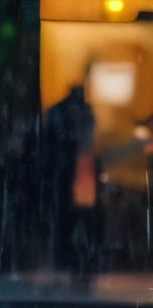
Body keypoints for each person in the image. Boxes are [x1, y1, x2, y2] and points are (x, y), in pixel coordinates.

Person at [43, 85, 100, 283]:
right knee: (70, 219)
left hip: (74, 170)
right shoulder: (73, 113)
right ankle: (72, 261)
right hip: (69, 171)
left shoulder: (73, 113)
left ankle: (75, 261)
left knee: (75, 219)